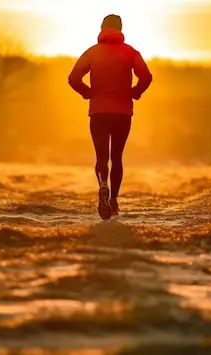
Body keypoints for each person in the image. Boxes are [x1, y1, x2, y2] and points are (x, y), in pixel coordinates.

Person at [68, 14, 153, 220]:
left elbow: (73, 78)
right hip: (122, 113)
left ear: (102, 28)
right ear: (121, 29)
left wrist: (87, 93)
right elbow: (147, 76)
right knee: (117, 158)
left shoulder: (92, 53)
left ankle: (102, 186)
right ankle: (113, 200)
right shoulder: (130, 52)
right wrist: (135, 92)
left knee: (101, 158)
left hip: (98, 112)